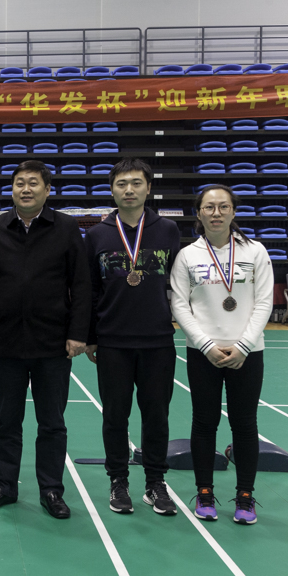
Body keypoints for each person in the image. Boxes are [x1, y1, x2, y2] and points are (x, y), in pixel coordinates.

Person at [0, 160, 90, 518]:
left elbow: (81, 284)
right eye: (19, 183)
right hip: (6, 344)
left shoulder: (66, 227)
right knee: (6, 422)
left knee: (52, 424)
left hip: (53, 345)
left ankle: (51, 490)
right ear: (12, 189)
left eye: (33, 183)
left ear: (47, 190)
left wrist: (78, 333)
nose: (25, 189)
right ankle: (4, 486)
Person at [171, 184, 273, 525]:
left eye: (223, 207)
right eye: (209, 207)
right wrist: (205, 345)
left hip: (248, 353)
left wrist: (243, 346)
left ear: (233, 211)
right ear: (199, 213)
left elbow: (264, 302)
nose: (216, 213)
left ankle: (245, 496)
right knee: (204, 422)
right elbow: (180, 305)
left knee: (245, 424)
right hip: (203, 353)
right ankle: (205, 492)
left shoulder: (255, 251)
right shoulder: (188, 255)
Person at [84, 158, 181, 516]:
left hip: (158, 340)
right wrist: (90, 336)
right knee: (115, 416)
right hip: (113, 341)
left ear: (148, 188)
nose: (129, 190)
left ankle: (155, 482)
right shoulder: (97, 235)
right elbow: (90, 290)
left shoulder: (168, 230)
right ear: (112, 190)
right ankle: (118, 480)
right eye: (122, 184)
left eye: (136, 183)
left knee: (157, 416)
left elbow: (179, 283)